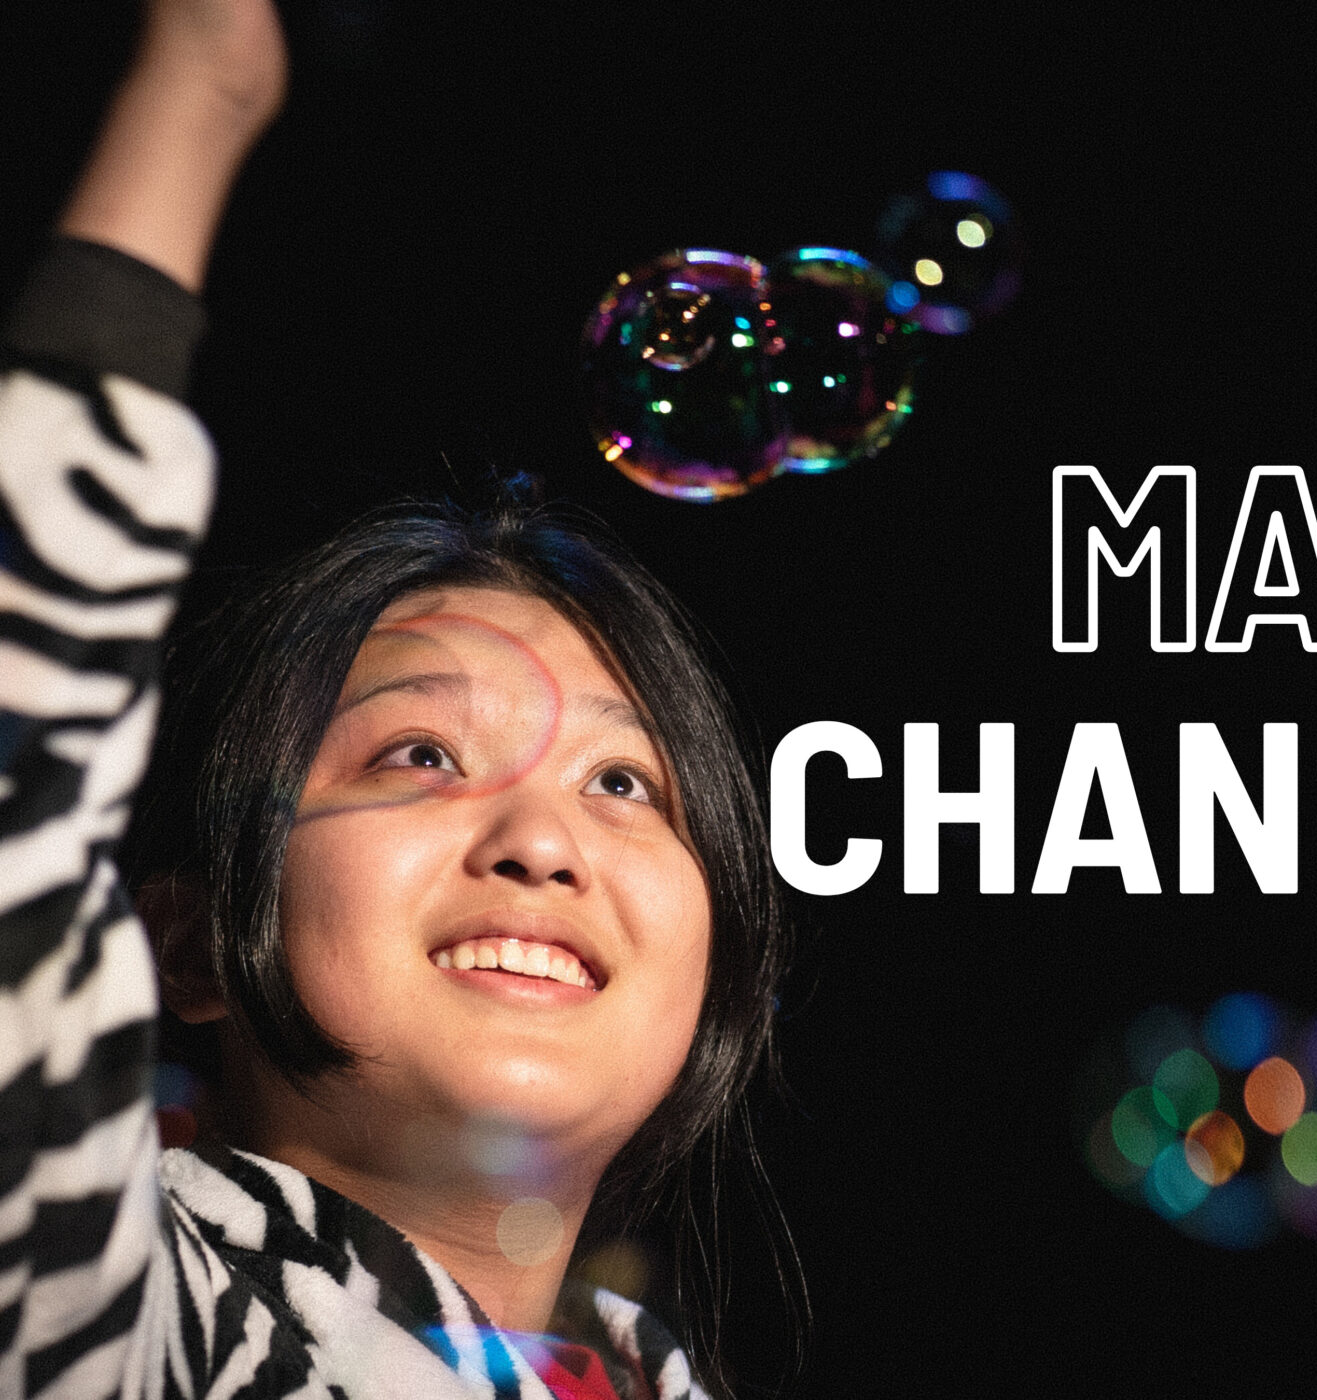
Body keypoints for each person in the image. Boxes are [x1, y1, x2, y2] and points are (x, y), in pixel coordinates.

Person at [0, 2, 787, 1396]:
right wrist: (202, 89)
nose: (544, 847)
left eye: (625, 785)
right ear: (183, 950)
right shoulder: (121, 1318)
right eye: (421, 752)